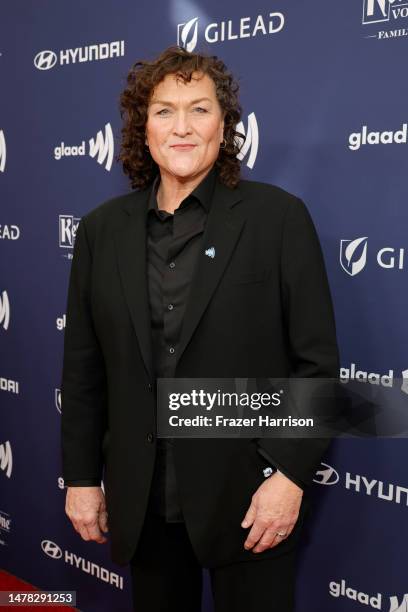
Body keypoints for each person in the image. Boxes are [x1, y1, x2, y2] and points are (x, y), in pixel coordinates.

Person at [61, 45, 339, 611]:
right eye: (164, 111)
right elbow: (85, 369)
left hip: (251, 500)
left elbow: (316, 368)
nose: (182, 127)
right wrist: (82, 479)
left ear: (224, 124)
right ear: (143, 128)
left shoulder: (278, 219)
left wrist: (288, 479)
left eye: (200, 109)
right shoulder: (100, 232)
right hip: (144, 501)